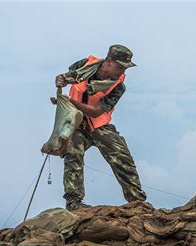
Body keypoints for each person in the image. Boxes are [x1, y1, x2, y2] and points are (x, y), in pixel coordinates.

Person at [55, 44, 147, 211]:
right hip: (75, 122)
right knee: (72, 154)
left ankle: (137, 202)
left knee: (122, 157)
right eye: (120, 66)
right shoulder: (85, 65)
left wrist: (72, 103)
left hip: (98, 125)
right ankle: (74, 202)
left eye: (125, 68)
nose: (123, 71)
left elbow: (97, 111)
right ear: (109, 61)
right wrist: (60, 79)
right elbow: (67, 76)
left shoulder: (118, 86)